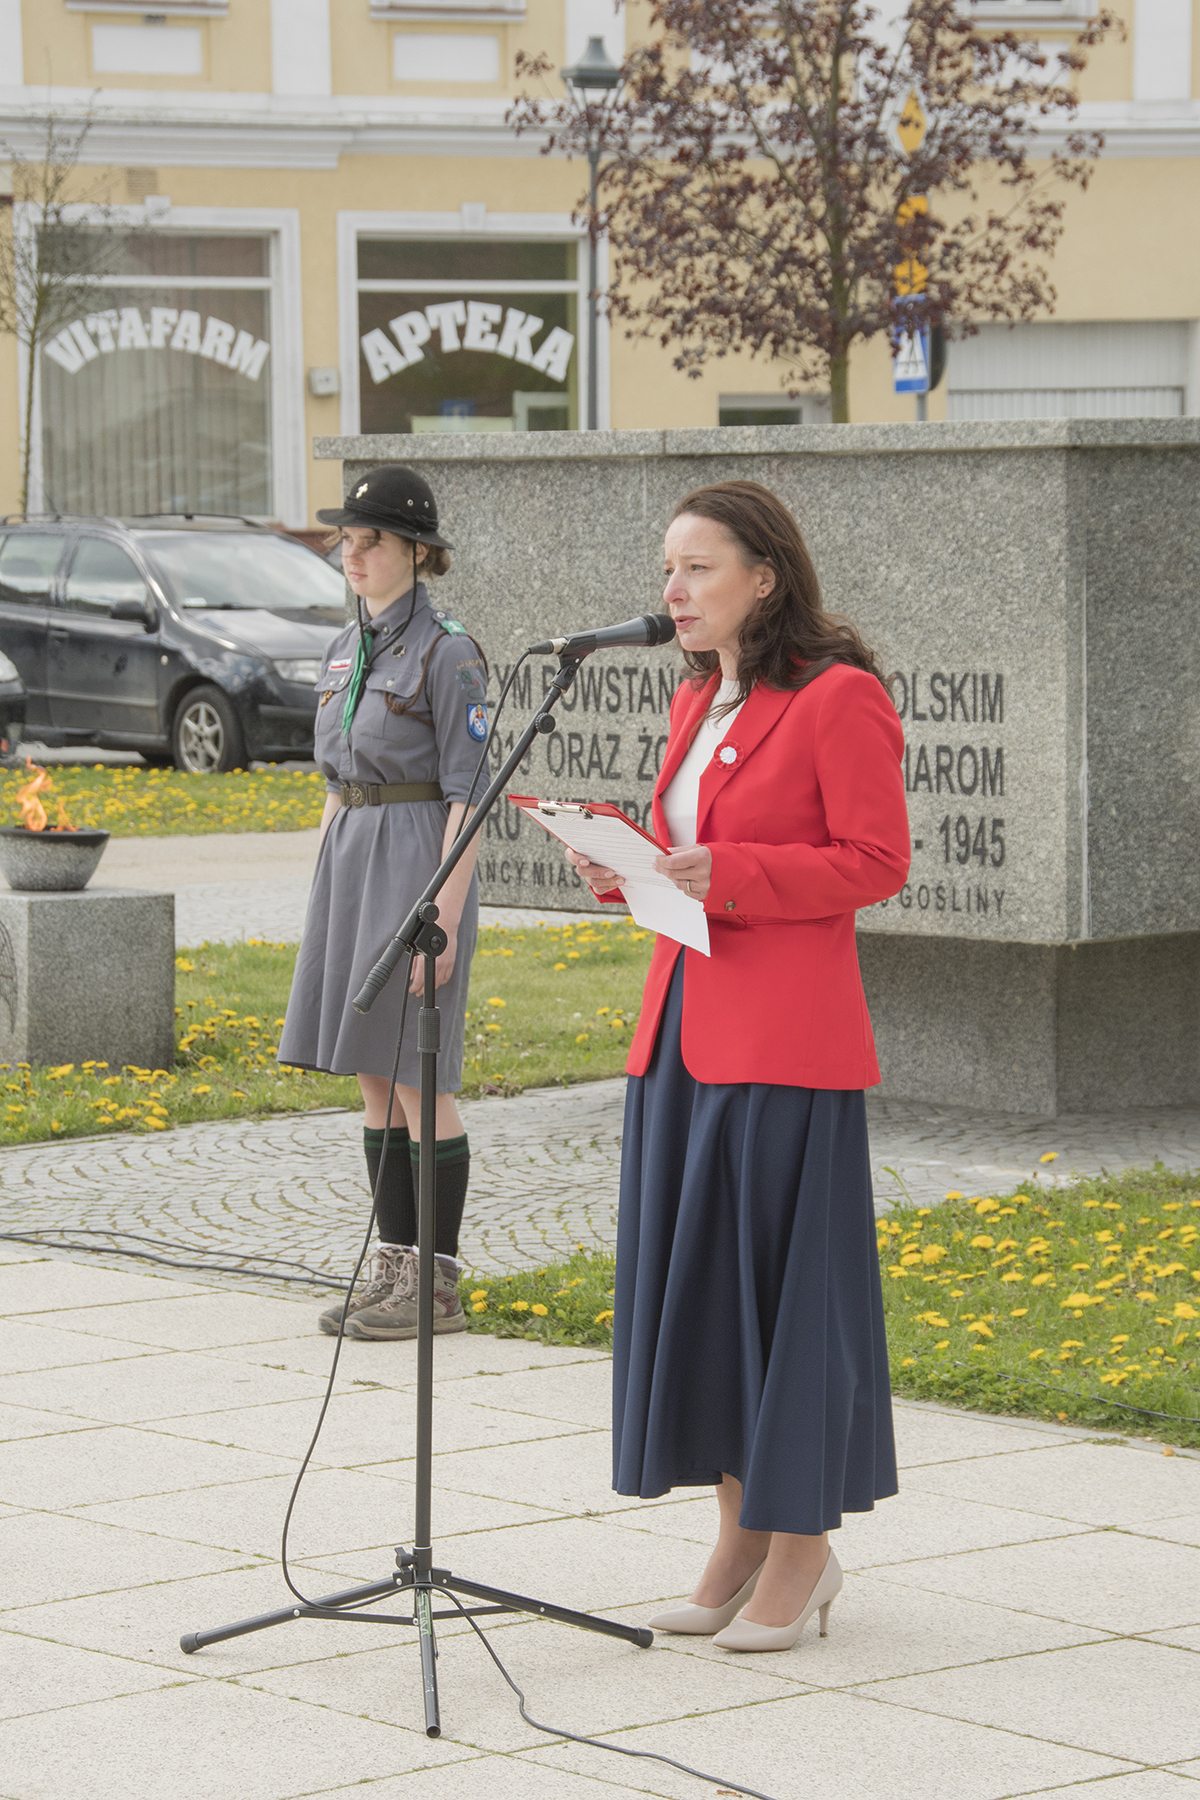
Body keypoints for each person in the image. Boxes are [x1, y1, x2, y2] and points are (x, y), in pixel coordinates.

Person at [568, 480, 910, 1652]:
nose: (672, 591)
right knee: (708, 1295)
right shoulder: (693, 700)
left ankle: (803, 1549)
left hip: (784, 1045)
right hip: (678, 1030)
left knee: (786, 1300)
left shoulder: (839, 699)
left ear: (763, 576)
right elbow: (691, 853)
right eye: (668, 569)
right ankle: (737, 1540)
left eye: (697, 569)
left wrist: (738, 873)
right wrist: (632, 866)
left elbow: (874, 861)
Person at [277, 465, 488, 1341]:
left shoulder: (449, 654)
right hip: (351, 859)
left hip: (415, 863)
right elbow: (337, 778)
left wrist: (440, 918)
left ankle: (436, 1282)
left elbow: (469, 795)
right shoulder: (341, 649)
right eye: (346, 540)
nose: (351, 554)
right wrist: (318, 885)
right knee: (370, 1070)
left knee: (415, 1073)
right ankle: (391, 1262)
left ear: (418, 553)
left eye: (371, 541)